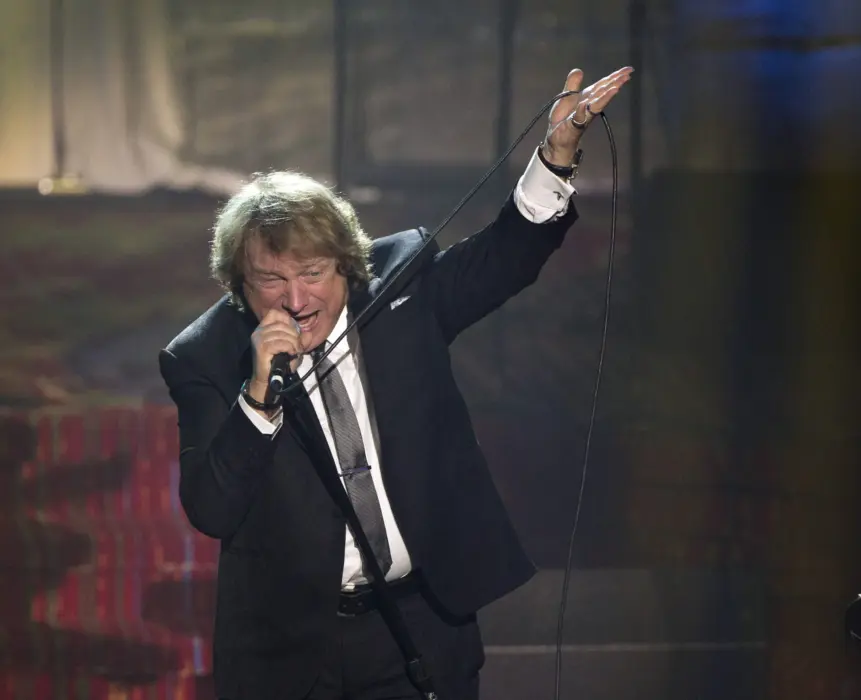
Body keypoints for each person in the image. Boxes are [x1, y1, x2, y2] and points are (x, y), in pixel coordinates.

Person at [159, 66, 632, 700]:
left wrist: (556, 155)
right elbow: (210, 510)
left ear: (348, 266)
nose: (296, 300)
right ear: (238, 286)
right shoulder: (206, 356)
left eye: (314, 273)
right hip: (293, 652)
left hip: (420, 626)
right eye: (271, 280)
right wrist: (257, 398)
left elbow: (507, 256)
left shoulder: (398, 286)